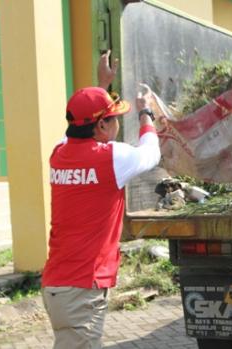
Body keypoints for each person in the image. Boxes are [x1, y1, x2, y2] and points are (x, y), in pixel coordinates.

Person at [41, 51, 161, 348]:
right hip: (81, 288)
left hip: (61, 283)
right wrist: (146, 113)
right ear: (103, 127)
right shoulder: (111, 158)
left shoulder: (59, 154)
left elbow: (81, 127)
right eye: (116, 118)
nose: (119, 123)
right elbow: (151, 152)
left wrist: (102, 87)